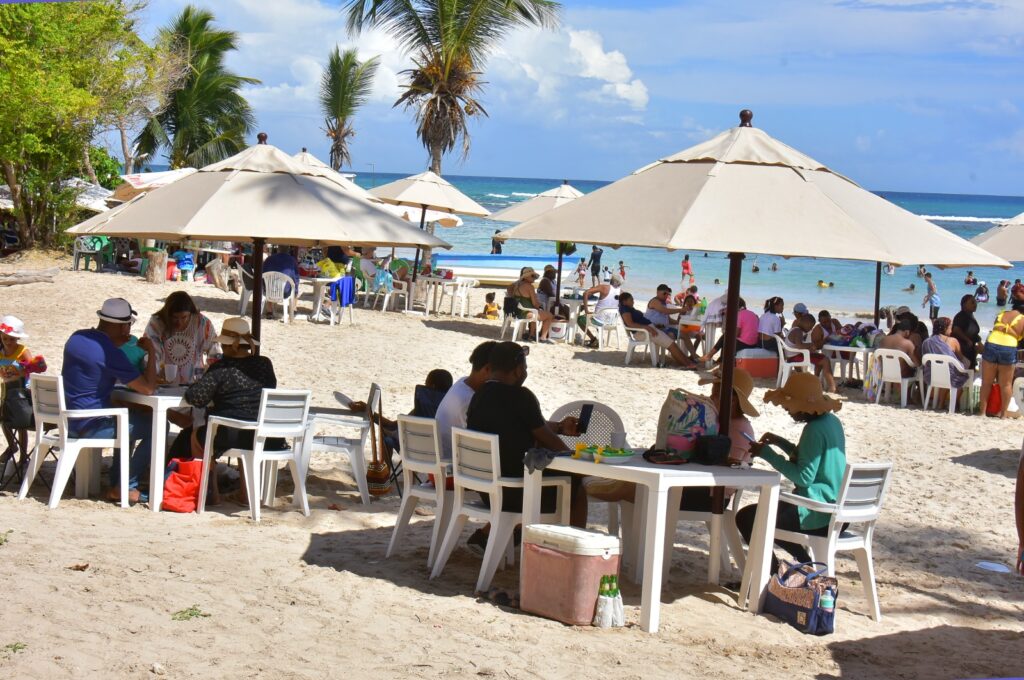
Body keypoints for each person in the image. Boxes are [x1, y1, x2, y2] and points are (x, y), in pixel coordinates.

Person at [465, 342, 587, 532]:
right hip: (517, 492)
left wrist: (560, 427)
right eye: (525, 368)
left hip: (486, 490)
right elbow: (552, 443)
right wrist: (579, 462)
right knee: (575, 484)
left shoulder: (478, 396)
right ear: (518, 369)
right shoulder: (521, 396)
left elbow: (523, 428)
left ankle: (495, 536)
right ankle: (576, 548)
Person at [738, 373, 847, 574]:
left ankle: (780, 572)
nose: (786, 409)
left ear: (803, 405)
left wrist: (767, 454)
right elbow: (811, 458)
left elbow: (804, 477)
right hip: (835, 509)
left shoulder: (813, 430)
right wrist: (781, 443)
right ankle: (806, 564)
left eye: (788, 405)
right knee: (764, 516)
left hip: (817, 513)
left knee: (748, 518)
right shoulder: (831, 422)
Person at [174, 317, 281, 505]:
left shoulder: (221, 368)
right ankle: (245, 494)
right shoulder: (265, 364)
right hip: (264, 434)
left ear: (229, 346)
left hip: (230, 433)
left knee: (197, 436)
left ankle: (211, 493)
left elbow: (196, 398)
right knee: (244, 426)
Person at [62, 299, 158, 503]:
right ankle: (126, 485)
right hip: (92, 425)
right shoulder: (109, 353)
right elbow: (148, 388)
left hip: (70, 420)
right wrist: (152, 352)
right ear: (125, 326)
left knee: (129, 418)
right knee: (158, 426)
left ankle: (118, 482)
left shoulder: (76, 338)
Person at [435, 341, 496, 462]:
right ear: (487, 369)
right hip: (452, 466)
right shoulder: (470, 400)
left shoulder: (463, 382)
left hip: (442, 461)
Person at [143, 292, 220, 384]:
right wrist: (156, 371)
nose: (179, 323)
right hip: (162, 382)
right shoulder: (157, 323)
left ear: (191, 314)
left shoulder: (201, 323)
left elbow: (215, 351)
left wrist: (210, 377)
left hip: (194, 382)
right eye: (175, 318)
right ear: (167, 314)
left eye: (184, 317)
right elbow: (151, 352)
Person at [0, 316, 46, 462]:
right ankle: (12, 445)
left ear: (17, 339)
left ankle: (23, 457)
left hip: (22, 391)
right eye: (5, 338)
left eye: (12, 339)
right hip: (7, 389)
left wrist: (22, 370)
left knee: (21, 424)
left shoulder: (22, 351)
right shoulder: (1, 351)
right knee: (4, 420)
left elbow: (34, 368)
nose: (8, 342)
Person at [618, 293, 696, 368]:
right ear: (624, 301)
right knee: (672, 345)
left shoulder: (627, 308)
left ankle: (687, 362)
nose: (633, 301)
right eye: (631, 300)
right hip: (643, 332)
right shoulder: (625, 310)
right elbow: (630, 324)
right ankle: (687, 364)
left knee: (671, 345)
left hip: (648, 330)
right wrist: (647, 327)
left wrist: (652, 326)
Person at [979, 297, 1024, 418]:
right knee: (1006, 384)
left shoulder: (1002, 314)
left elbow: (996, 328)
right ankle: (1003, 415)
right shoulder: (1023, 320)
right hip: (1008, 347)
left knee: (986, 382)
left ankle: (982, 413)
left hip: (992, 344)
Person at [921, 317, 970, 407]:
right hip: (948, 375)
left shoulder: (927, 341)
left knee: (948, 370)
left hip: (931, 375)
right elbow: (961, 357)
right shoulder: (952, 341)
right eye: (950, 326)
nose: (952, 329)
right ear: (944, 328)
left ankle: (940, 402)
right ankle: (952, 404)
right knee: (958, 371)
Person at [786, 313, 838, 393]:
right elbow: (800, 346)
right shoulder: (798, 331)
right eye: (810, 327)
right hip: (795, 357)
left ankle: (815, 381)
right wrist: (811, 345)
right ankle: (832, 387)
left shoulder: (794, 329)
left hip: (792, 355)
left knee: (819, 358)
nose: (810, 329)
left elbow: (797, 345)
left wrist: (809, 348)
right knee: (825, 360)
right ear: (805, 323)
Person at [699, 297, 759, 364]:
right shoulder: (752, 313)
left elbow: (736, 334)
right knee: (726, 338)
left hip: (745, 344)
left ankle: (711, 356)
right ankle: (718, 361)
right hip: (754, 343)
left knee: (725, 338)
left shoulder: (739, 315)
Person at [511, 268, 555, 343]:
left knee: (535, 311)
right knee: (549, 315)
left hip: (517, 312)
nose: (534, 277)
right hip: (526, 314)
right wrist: (539, 306)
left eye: (534, 276)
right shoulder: (530, 287)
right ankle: (543, 337)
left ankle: (531, 335)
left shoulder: (516, 285)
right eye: (532, 276)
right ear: (526, 277)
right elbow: (535, 304)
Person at [579, 273, 623, 348]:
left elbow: (585, 293)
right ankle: (599, 338)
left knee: (579, 319)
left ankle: (593, 339)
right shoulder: (622, 292)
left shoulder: (603, 287)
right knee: (599, 316)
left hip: (598, 320)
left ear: (611, 280)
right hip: (611, 322)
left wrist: (586, 310)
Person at [262, 246, 300, 318]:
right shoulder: (292, 260)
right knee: (295, 287)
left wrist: (264, 286)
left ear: (278, 249)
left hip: (270, 290)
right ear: (288, 250)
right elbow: (296, 277)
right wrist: (296, 290)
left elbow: (263, 272)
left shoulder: (269, 259)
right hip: (284, 292)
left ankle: (269, 311)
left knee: (269, 284)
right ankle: (293, 309)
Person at [951, 294, 983, 370]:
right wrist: (967, 340)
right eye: (972, 302)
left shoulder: (970, 315)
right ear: (964, 305)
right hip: (963, 348)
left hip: (971, 346)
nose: (975, 304)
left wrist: (978, 340)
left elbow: (973, 332)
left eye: (975, 302)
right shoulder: (961, 316)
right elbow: (956, 330)